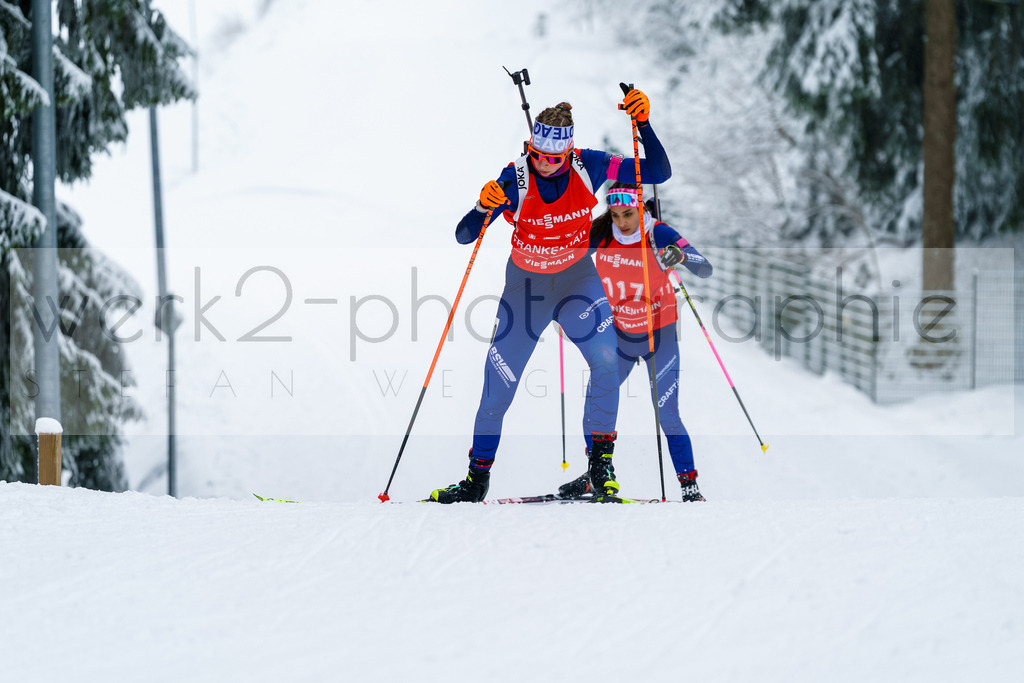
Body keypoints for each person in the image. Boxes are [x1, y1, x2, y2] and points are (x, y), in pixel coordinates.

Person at [428, 89, 672, 503]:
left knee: (607, 359)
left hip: (578, 281)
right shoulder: (515, 178)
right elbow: (464, 235)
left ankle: (600, 467)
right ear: (531, 145)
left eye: (553, 158)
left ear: (568, 153)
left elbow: (658, 172)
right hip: (527, 290)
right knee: (498, 384)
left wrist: (643, 125)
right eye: (537, 153)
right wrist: (479, 205)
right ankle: (475, 480)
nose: (544, 162)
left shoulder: (590, 165)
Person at [558, 183, 713, 502]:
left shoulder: (658, 232)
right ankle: (596, 474)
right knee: (594, 407)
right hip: (620, 335)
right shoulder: (602, 232)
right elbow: (564, 254)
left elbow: (704, 267)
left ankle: (690, 488)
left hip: (660, 336)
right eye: (615, 215)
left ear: (640, 208)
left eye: (628, 214)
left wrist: (679, 256)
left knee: (667, 414)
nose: (622, 221)